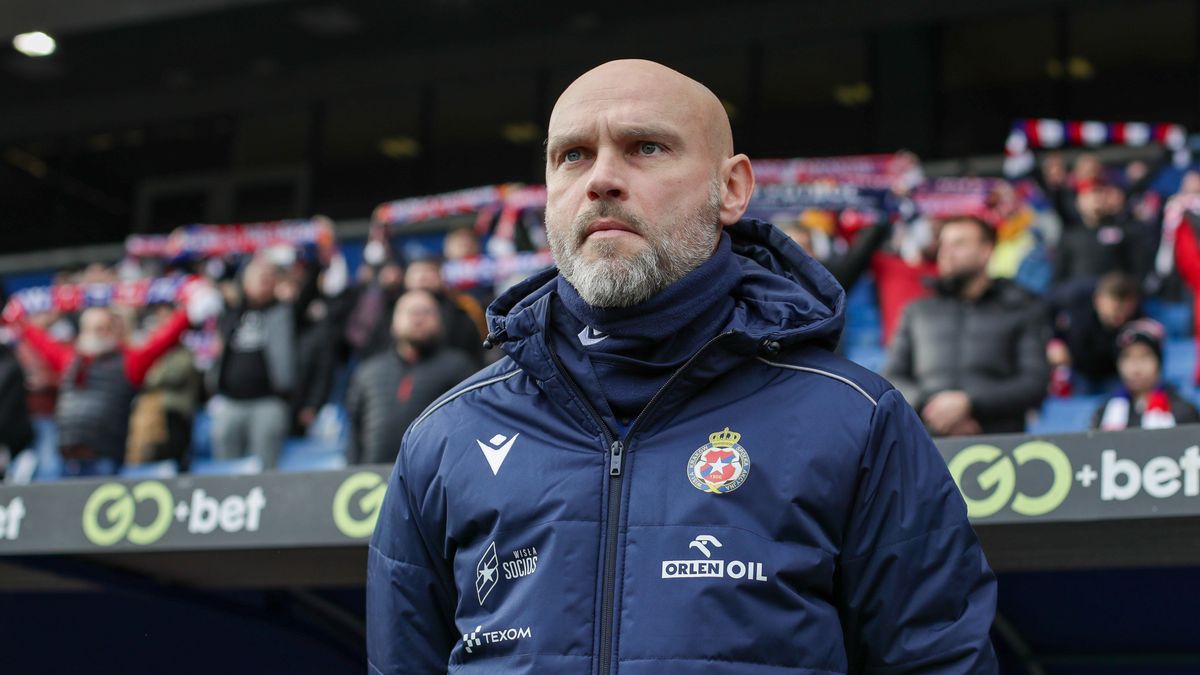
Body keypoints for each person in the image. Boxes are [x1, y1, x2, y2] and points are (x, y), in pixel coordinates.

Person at [368, 59, 997, 674]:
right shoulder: (444, 436)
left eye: (645, 148)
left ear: (731, 189)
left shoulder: (856, 420)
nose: (602, 180)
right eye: (572, 156)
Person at [4, 286, 220, 475]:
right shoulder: (71, 359)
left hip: (103, 459)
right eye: (92, 328)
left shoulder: (129, 362)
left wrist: (188, 314)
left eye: (104, 328)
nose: (98, 334)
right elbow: (40, 341)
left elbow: (161, 341)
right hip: (65, 457)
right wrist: (16, 320)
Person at [885, 215, 1050, 436]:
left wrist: (970, 403)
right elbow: (891, 378)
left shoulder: (1020, 309)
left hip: (1000, 447)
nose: (946, 252)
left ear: (986, 251)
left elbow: (1034, 383)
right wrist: (931, 406)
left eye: (959, 244)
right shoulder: (917, 311)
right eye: (943, 244)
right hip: (926, 443)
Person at [345, 289, 476, 465]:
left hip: (436, 480)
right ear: (393, 321)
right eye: (411, 312)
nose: (418, 318)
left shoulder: (460, 368)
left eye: (427, 312)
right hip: (374, 481)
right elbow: (354, 434)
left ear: (440, 321)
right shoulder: (368, 372)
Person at [207, 259, 295, 469]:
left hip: (268, 401)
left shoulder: (285, 311)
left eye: (269, 277)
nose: (264, 282)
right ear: (245, 282)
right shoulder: (231, 312)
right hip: (229, 402)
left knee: (266, 467)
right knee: (224, 467)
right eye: (259, 277)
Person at [1093, 319, 1200, 430]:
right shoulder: (1105, 411)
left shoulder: (1182, 410)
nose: (1136, 367)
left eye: (1144, 356)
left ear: (1158, 362)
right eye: (1127, 357)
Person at [1046, 271, 1142, 393]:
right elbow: (1044, 311)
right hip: (1078, 367)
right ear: (1099, 301)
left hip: (1113, 374)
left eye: (1125, 311)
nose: (1120, 318)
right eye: (1115, 311)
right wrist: (1054, 341)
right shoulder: (1075, 300)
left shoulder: (1138, 321)